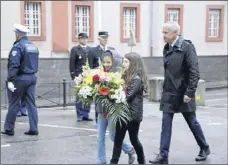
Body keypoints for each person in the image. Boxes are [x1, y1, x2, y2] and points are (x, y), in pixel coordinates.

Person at [149, 22, 210, 164]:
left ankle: (204, 147)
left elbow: (194, 71)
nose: (163, 36)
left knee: (192, 122)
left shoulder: (187, 47)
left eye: (165, 33)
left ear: (175, 33)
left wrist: (189, 92)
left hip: (183, 93)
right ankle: (163, 155)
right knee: (165, 123)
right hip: (169, 92)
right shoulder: (167, 47)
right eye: (163, 33)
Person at [96, 50, 136, 164]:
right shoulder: (97, 74)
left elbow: (122, 93)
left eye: (109, 62)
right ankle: (101, 160)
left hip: (113, 110)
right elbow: (95, 91)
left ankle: (129, 149)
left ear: (113, 62)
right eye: (104, 62)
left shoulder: (118, 75)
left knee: (113, 136)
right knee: (100, 137)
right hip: (101, 111)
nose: (106, 64)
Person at [1, 24, 39, 136]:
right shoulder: (33, 46)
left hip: (20, 78)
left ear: (18, 34)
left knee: (14, 103)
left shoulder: (18, 47)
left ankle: (9, 128)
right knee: (31, 104)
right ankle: (34, 128)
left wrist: (10, 80)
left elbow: (14, 65)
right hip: (32, 77)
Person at [110, 52, 147, 164]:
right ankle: (114, 161)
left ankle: (141, 160)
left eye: (126, 61)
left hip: (132, 115)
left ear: (134, 63)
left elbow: (128, 96)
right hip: (122, 113)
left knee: (134, 140)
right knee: (118, 139)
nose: (123, 64)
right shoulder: (124, 75)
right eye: (123, 61)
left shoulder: (136, 79)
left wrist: (113, 95)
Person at [88, 31, 115, 123]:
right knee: (99, 99)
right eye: (103, 38)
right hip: (98, 80)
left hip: (110, 79)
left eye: (106, 38)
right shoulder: (93, 51)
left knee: (110, 99)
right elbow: (90, 67)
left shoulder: (111, 50)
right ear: (99, 38)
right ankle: (98, 118)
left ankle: (109, 117)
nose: (105, 40)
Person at [69, 32, 93, 122]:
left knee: (88, 95)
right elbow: (72, 63)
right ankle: (79, 114)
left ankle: (86, 114)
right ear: (79, 39)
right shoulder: (75, 49)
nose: (84, 40)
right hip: (79, 75)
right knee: (79, 95)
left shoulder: (90, 50)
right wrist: (73, 75)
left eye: (86, 38)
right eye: (82, 38)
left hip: (88, 76)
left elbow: (91, 63)